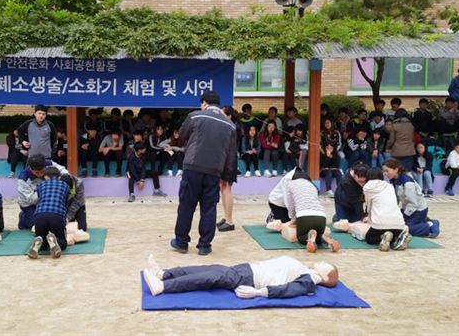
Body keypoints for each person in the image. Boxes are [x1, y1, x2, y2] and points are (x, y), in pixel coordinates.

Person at [171, 91, 237, 256]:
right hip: (214, 171)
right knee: (209, 208)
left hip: (192, 167)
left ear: (204, 103)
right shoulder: (230, 125)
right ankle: (205, 245)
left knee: (186, 205)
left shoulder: (195, 116)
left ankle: (181, 242)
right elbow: (231, 154)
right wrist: (227, 176)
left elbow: (181, 137)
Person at [142, 255, 338, 298]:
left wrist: (259, 292)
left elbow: (290, 290)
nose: (320, 262)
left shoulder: (311, 279)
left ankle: (162, 286)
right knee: (206, 269)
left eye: (324, 265)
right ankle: (165, 274)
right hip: (248, 270)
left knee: (207, 277)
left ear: (325, 275)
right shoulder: (308, 271)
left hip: (249, 279)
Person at [333, 168, 412, 251]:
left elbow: (369, 206)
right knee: (393, 231)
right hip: (399, 223)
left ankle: (383, 237)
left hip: (380, 224)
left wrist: (368, 218)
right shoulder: (389, 186)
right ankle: (399, 238)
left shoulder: (367, 187)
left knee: (370, 238)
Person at [266, 171, 340, 253]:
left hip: (303, 216)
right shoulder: (313, 186)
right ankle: (322, 237)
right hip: (321, 216)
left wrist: (293, 219)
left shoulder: (290, 184)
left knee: (300, 238)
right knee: (318, 237)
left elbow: (290, 204)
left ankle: (311, 236)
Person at [383, 159, 440, 238]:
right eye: (384, 171)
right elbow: (397, 198)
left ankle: (430, 225)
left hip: (418, 210)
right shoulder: (394, 180)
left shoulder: (407, 183)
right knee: (395, 225)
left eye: (387, 171)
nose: (385, 173)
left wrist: (404, 216)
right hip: (407, 209)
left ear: (396, 169)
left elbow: (414, 204)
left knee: (404, 229)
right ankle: (424, 220)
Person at [26, 167, 71, 259]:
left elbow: (40, 198)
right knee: (62, 241)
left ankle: (40, 240)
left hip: (40, 215)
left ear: (46, 177)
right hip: (57, 215)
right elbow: (65, 202)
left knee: (41, 238)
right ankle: (56, 242)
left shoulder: (40, 185)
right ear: (59, 177)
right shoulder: (65, 185)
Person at [17, 154, 68, 229]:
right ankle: (24, 217)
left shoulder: (49, 163)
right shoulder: (23, 178)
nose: (40, 175)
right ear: (30, 168)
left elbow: (65, 173)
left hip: (47, 200)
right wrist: (48, 190)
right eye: (37, 173)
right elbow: (30, 200)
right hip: (30, 204)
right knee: (37, 225)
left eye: (42, 171)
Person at [216, 105, 239, 233]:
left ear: (229, 116)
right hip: (224, 160)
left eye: (222, 114)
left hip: (229, 161)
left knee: (227, 188)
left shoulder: (231, 127)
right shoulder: (226, 127)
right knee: (222, 187)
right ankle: (226, 217)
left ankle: (230, 221)